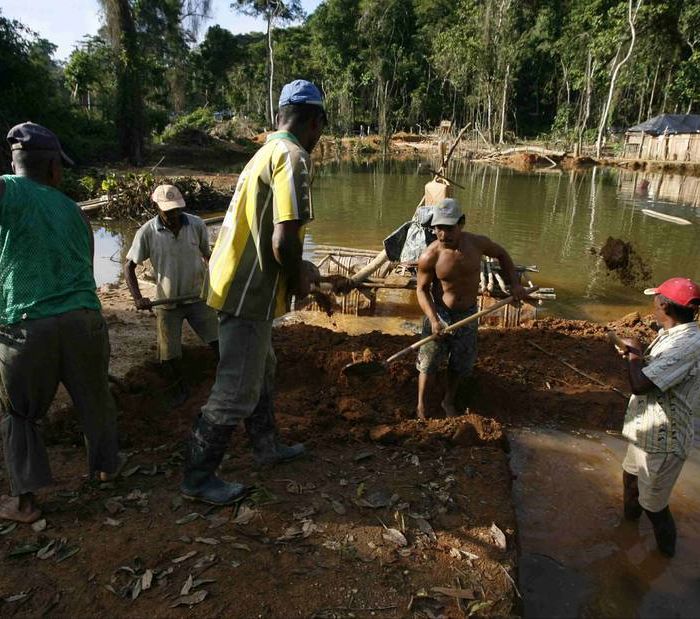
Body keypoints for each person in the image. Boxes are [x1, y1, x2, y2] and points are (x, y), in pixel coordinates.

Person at [180, 80, 326, 505]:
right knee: (237, 387)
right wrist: (300, 276)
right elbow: (284, 240)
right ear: (315, 122)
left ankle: (266, 445)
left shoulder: (264, 151)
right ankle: (198, 478)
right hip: (248, 289)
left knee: (263, 366)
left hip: (233, 282)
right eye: (320, 130)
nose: (318, 138)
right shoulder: (293, 156)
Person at [0, 122, 120, 523]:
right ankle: (105, 471)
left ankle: (26, 502)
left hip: (28, 324)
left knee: (21, 413)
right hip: (85, 319)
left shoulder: (8, 191)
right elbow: (86, 267)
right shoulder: (73, 210)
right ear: (53, 167)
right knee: (96, 399)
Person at [415, 198, 525, 420]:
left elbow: (502, 254)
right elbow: (422, 290)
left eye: (449, 228)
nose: (443, 235)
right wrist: (434, 320)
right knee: (429, 360)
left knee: (461, 361)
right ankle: (422, 406)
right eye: (438, 228)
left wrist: (514, 284)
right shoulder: (430, 256)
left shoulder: (477, 244)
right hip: (440, 313)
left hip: (469, 313)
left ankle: (448, 400)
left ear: (461, 223)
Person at [616, 277, 700, 557]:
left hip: (664, 440)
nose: (653, 304)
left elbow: (640, 385)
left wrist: (634, 356)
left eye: (656, 299)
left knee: (655, 508)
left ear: (665, 305)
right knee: (630, 482)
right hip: (646, 429)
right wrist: (636, 354)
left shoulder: (688, 344)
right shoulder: (671, 333)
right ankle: (626, 535)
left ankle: (664, 560)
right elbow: (651, 371)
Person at [124, 184, 218, 405]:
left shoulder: (196, 225)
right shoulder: (147, 232)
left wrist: (218, 285)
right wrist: (138, 297)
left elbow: (209, 257)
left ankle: (223, 380)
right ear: (156, 207)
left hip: (197, 297)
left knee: (218, 342)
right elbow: (129, 267)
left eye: (176, 210)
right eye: (168, 212)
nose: (173, 216)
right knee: (169, 354)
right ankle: (180, 390)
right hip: (167, 302)